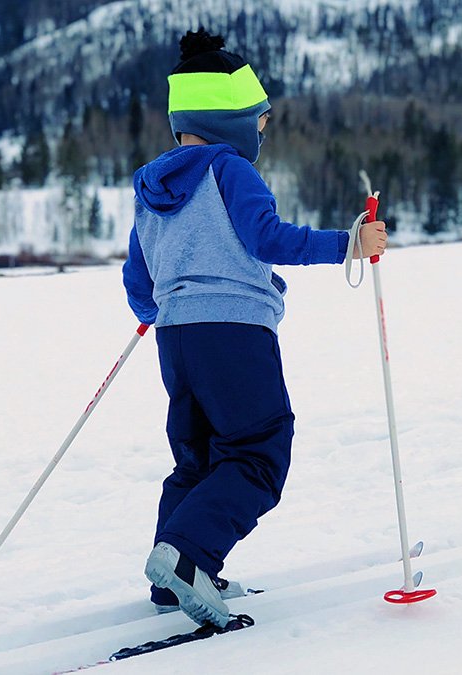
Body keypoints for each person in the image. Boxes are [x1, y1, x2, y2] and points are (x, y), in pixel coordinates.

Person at [122, 27, 387, 628]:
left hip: (176, 339)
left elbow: (138, 275)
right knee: (259, 449)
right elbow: (268, 238)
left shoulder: (151, 185)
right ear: (231, 118)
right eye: (260, 122)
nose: (263, 134)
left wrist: (151, 311)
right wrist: (349, 243)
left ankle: (178, 576)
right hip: (235, 332)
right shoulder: (229, 168)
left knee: (198, 456)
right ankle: (188, 558)